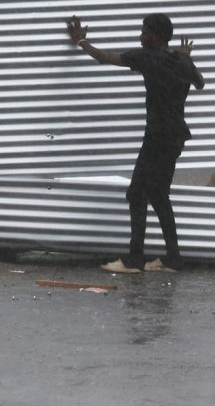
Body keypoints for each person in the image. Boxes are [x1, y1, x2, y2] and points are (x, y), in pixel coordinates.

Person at [66, 14, 205, 274]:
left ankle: (133, 260)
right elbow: (200, 82)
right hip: (175, 138)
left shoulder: (145, 57)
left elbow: (104, 57)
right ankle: (172, 259)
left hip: (157, 137)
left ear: (157, 36)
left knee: (137, 193)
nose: (141, 36)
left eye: (145, 32)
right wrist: (186, 55)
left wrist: (81, 40)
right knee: (159, 195)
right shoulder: (180, 61)